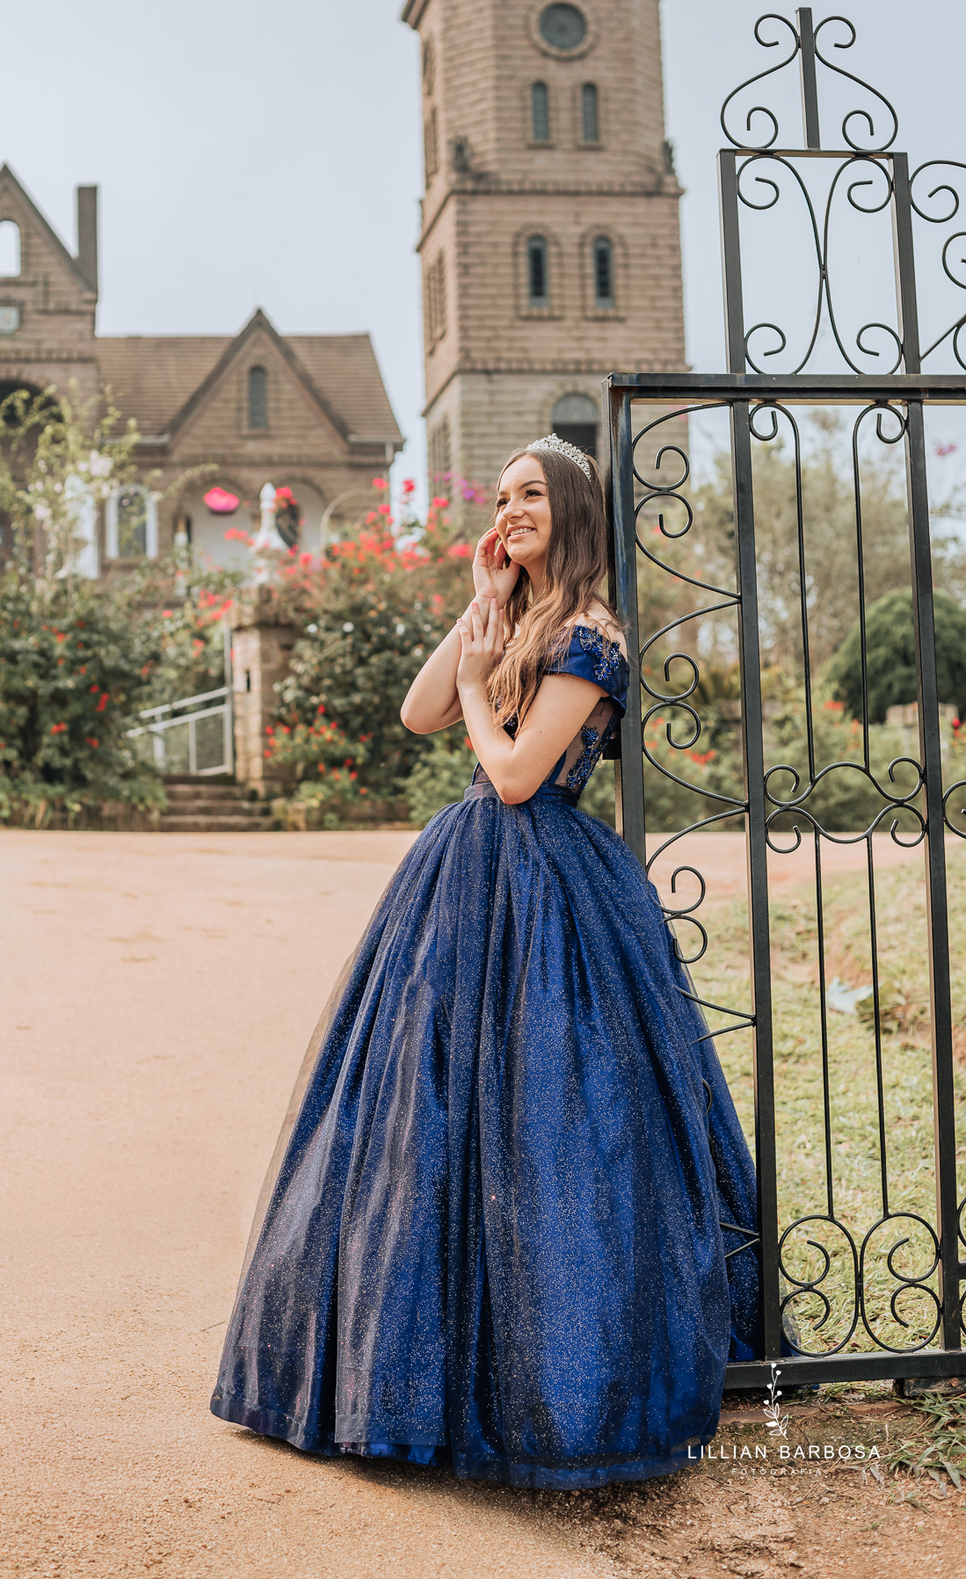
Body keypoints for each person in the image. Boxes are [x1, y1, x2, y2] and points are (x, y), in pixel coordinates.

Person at [210, 435, 761, 1490]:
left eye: (529, 498)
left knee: (548, 1117)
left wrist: (476, 683)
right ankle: (399, 1372)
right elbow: (418, 712)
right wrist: (482, 604)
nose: (508, 513)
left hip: (548, 883)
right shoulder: (515, 617)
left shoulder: (595, 636)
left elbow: (512, 774)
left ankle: (558, 1383)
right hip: (460, 880)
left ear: (574, 511)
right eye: (501, 499)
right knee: (426, 1112)